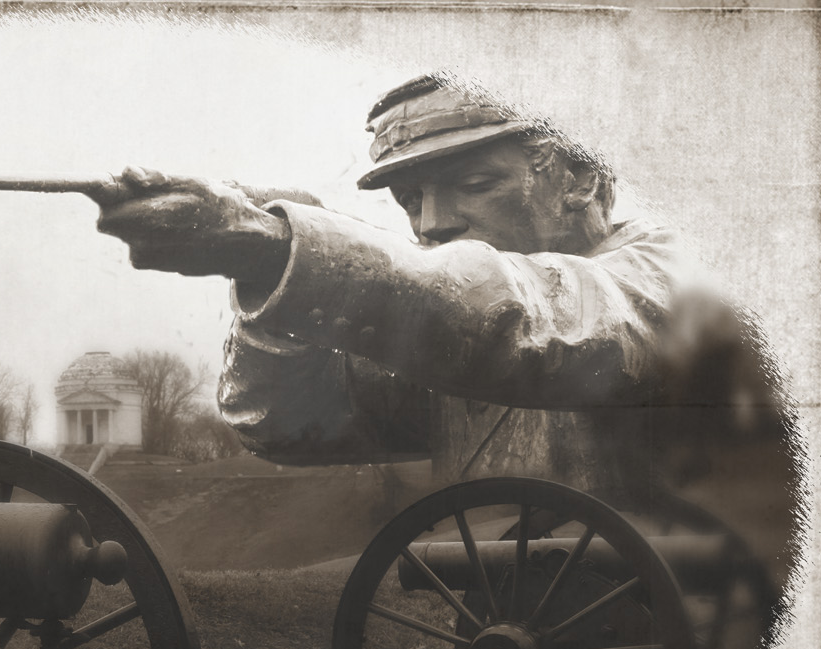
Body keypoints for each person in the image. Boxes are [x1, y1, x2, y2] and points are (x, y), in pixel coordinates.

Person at [95, 73, 784, 507]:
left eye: (475, 184)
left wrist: (296, 248)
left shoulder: (686, 278)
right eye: (409, 199)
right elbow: (287, 425)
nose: (431, 223)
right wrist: (273, 271)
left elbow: (539, 318)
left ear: (582, 178)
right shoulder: (458, 338)